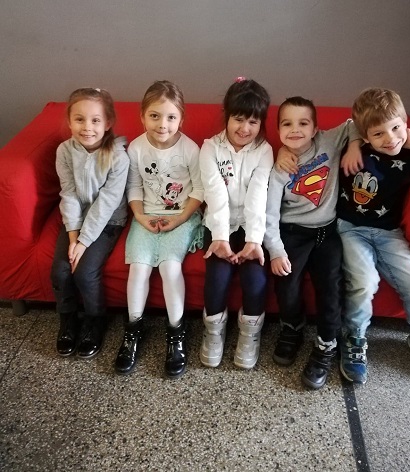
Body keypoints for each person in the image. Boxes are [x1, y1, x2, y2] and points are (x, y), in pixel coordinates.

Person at [337, 87, 410, 384]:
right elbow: (341, 128)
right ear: (366, 136)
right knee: (363, 283)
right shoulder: (354, 147)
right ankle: (354, 338)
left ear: (405, 122)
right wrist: (353, 144)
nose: (390, 139)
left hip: (389, 232)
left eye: (396, 128)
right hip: (350, 229)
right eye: (378, 134)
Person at [265, 96, 362, 389]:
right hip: (292, 232)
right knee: (286, 281)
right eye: (287, 124)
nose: (295, 130)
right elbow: (269, 214)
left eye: (303, 123)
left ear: (315, 128)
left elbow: (354, 123)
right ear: (278, 130)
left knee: (330, 285)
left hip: (327, 232)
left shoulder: (329, 141)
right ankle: (292, 327)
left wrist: (354, 145)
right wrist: (275, 250)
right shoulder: (279, 168)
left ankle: (326, 343)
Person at [115, 81, 203, 378]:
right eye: (154, 116)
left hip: (182, 215)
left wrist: (179, 220)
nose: (162, 124)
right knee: (138, 268)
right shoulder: (136, 148)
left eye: (170, 117)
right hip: (147, 215)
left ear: (181, 119)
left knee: (169, 267)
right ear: (142, 116)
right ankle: (133, 329)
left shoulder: (190, 149)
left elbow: (199, 190)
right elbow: (134, 186)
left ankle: (176, 333)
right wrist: (139, 216)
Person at [199, 78, 273, 370]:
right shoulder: (210, 148)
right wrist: (219, 237)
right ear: (227, 116)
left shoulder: (264, 150)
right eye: (238, 119)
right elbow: (215, 193)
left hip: (250, 224)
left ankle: (249, 335)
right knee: (216, 279)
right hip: (220, 224)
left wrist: (254, 240)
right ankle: (213, 332)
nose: (245, 128)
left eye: (253, 122)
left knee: (255, 280)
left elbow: (258, 195)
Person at [51, 88, 129, 359]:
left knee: (84, 272)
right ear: (69, 121)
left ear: (108, 123)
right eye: (79, 119)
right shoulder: (65, 151)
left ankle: (95, 320)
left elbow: (108, 202)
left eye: (95, 120)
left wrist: (84, 242)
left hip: (108, 220)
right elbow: (69, 193)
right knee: (61, 271)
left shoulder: (118, 156)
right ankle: (68, 318)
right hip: (77, 219)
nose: (87, 127)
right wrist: (74, 237)